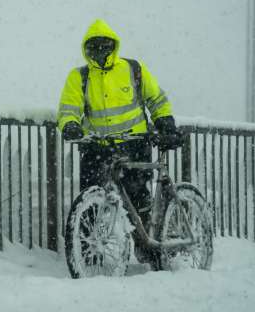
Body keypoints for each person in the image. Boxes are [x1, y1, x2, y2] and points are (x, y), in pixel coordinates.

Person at [56, 19, 182, 256]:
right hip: (97, 147)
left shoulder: (133, 69)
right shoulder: (80, 77)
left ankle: (150, 251)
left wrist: (165, 122)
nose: (100, 52)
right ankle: (87, 253)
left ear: (113, 46)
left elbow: (157, 99)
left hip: (135, 144)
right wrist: (70, 125)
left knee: (138, 197)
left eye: (105, 46)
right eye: (94, 47)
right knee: (90, 201)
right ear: (87, 50)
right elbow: (68, 108)